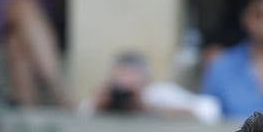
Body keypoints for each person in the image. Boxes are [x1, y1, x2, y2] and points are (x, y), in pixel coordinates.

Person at [84, 52, 221, 123]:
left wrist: (149, 108)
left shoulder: (157, 95)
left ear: (145, 80)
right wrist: (98, 105)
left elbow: (210, 109)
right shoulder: (105, 97)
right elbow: (77, 120)